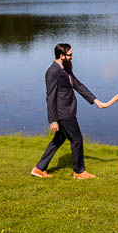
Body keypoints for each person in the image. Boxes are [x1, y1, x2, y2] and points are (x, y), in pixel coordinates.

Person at [31, 43, 103, 180]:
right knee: (77, 139)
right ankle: (79, 172)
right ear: (61, 56)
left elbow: (78, 85)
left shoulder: (66, 68)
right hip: (63, 112)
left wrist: (95, 100)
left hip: (68, 110)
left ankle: (39, 168)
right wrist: (53, 120)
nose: (72, 57)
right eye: (69, 54)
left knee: (58, 140)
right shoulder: (52, 72)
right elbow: (50, 96)